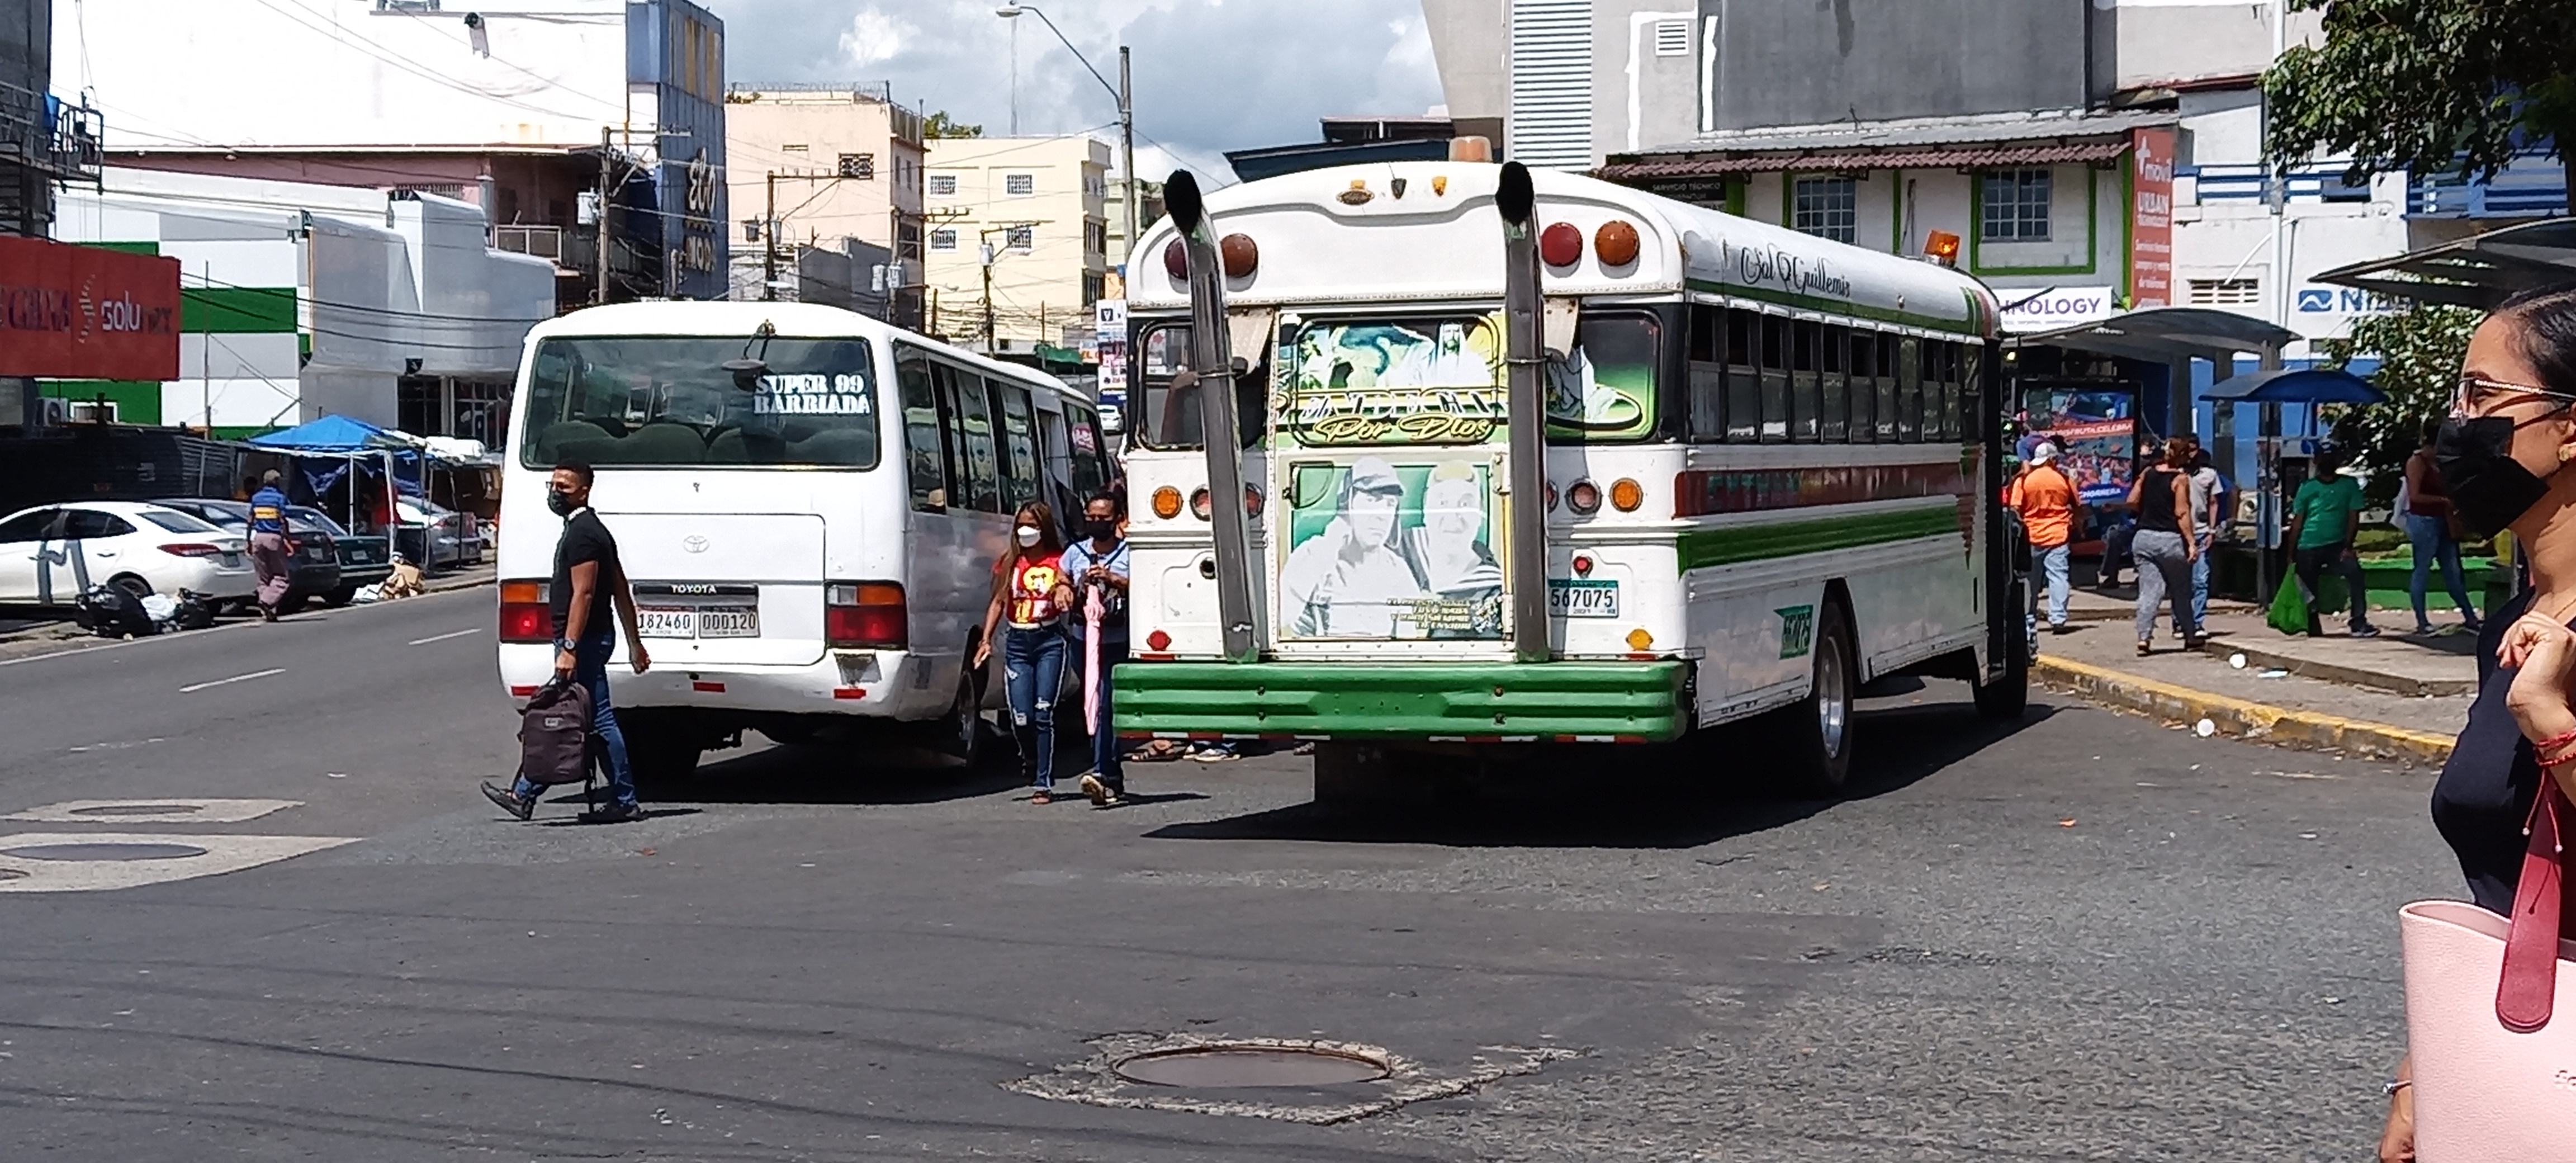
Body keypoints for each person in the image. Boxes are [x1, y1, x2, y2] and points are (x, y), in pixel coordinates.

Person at [2385, 283, 2576, 1163]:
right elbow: (2506, 887)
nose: (2457, 424)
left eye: (2482, 395)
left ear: (2570, 427)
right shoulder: (2515, 623)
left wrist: (2550, 720)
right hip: (2511, 1064)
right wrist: (2428, 1066)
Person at [481, 462, 652, 824]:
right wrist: (635, 644)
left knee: (593, 718)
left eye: (565, 486)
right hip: (590, 639)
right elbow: (621, 588)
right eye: (553, 484)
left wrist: (570, 647)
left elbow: (585, 594)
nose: (556, 492)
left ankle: (616, 799)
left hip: (584, 641)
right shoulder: (588, 529)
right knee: (579, 715)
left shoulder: (585, 534)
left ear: (585, 490)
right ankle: (529, 793)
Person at [976, 502, 1075, 803]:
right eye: (1021, 525)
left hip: (1049, 640)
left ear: (1043, 528)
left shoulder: (1058, 560)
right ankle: (1028, 756)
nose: (1026, 531)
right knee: (1021, 716)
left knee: (1044, 712)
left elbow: (1065, 582)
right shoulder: (1010, 563)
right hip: (1019, 642)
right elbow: (997, 602)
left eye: (1032, 525)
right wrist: (986, 639)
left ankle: (1043, 781)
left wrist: (1063, 588)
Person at [1062, 493, 1131, 809]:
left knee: (1104, 704)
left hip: (1115, 640)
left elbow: (1145, 584)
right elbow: (1060, 578)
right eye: (1091, 517)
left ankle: (1103, 772)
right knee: (1091, 704)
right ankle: (1112, 777)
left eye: (1103, 517)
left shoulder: (1130, 553)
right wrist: (1063, 588)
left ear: (1117, 518)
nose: (1096, 523)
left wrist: (1114, 579)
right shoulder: (1075, 552)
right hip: (1082, 638)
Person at [2285, 445, 2381, 639]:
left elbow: (2298, 523)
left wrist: (2291, 552)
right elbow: (2353, 518)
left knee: (2325, 583)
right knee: (2349, 577)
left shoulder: (2317, 487)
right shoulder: (2321, 487)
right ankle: (2346, 623)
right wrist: (2348, 546)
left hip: (2319, 546)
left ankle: (2344, 623)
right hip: (2321, 545)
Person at [2403, 415, 2486, 636]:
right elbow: (2415, 496)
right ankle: (2422, 621)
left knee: (2453, 570)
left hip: (2445, 520)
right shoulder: (2417, 462)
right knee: (2422, 568)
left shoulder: (2442, 461)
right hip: (2424, 520)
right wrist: (2443, 501)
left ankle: (2470, 617)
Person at [2124, 441, 2201, 655]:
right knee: (2181, 590)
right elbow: (2182, 513)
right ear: (2184, 456)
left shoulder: (2148, 473)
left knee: (2149, 591)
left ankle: (2144, 638)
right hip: (2170, 540)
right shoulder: (2180, 479)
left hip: (2143, 538)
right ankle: (2190, 635)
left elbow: (2132, 500)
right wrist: (2192, 543)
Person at [2007, 441, 2079, 636]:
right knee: (2059, 577)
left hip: (2031, 536)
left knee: (2031, 580)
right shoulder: (2064, 479)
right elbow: (2077, 505)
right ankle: (2058, 618)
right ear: (2053, 459)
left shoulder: (2024, 480)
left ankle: (2029, 620)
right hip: (2059, 534)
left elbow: (2015, 508)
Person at [2182, 438, 2227, 636]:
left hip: (2200, 532)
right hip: (2179, 533)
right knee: (2181, 582)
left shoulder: (2209, 475)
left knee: (2200, 579)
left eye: (2192, 450)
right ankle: (2180, 623)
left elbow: (2214, 502)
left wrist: (2212, 530)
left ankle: (2198, 622)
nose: (2189, 454)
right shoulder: (2175, 474)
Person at [245, 470, 297, 622]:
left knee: (263, 577)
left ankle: (269, 612)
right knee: (281, 577)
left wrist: (248, 541)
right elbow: (282, 521)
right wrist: (288, 539)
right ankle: (267, 602)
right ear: (277, 482)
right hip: (274, 539)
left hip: (258, 538)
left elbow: (249, 521)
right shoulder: (279, 498)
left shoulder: (256, 498)